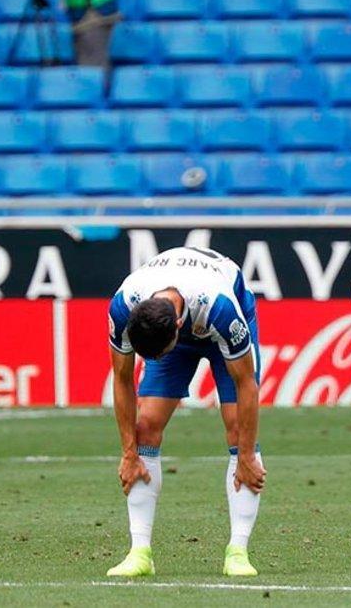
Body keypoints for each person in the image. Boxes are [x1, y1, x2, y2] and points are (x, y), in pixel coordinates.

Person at [105, 246, 265, 577]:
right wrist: (128, 452)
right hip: (171, 322)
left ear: (178, 326)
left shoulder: (221, 309)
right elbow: (122, 379)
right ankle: (139, 552)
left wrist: (247, 454)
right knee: (146, 425)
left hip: (222, 320)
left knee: (237, 428)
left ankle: (238, 551)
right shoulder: (123, 307)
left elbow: (247, 383)